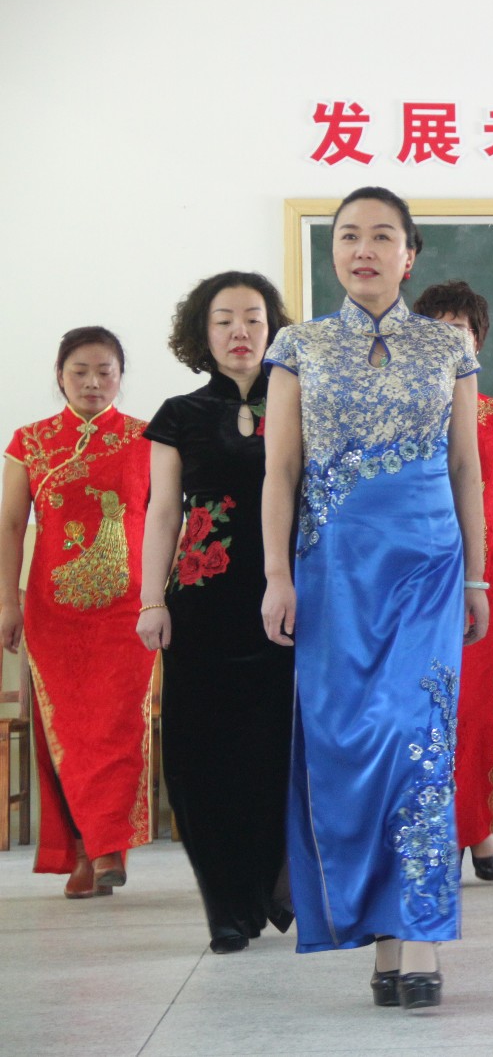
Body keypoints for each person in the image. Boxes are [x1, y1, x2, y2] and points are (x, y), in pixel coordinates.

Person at [261, 186, 489, 1010]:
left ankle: (419, 935)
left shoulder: (448, 347)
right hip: (334, 571)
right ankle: (384, 937)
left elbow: (466, 468)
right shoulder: (299, 345)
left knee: (416, 737)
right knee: (350, 745)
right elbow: (280, 471)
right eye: (349, 236)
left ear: (410, 254)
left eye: (382, 236)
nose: (364, 249)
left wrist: (478, 575)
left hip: (427, 565)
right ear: (333, 253)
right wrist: (277, 575)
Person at [136, 272, 296, 953]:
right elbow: (162, 512)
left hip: (284, 604)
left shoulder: (301, 402)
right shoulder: (179, 414)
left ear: (273, 328)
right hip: (201, 605)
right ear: (201, 334)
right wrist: (151, 598)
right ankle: (225, 906)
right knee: (200, 759)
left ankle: (271, 885)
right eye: (224, 319)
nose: (240, 332)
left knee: (275, 751)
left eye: (253, 318)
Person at [1, 327, 156, 898]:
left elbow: (167, 519)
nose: (93, 382)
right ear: (60, 376)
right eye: (80, 372)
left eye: (105, 371)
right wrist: (7, 602)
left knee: (116, 728)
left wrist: (163, 599)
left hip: (129, 612)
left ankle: (107, 847)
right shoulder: (31, 442)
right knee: (67, 731)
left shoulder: (148, 437)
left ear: (120, 375)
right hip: (54, 613)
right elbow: (10, 526)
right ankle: (88, 852)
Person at [413, 280, 493, 882]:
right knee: (422, 704)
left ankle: (478, 827)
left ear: (477, 340)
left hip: (481, 577)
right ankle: (431, 833)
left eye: (459, 327)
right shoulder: (399, 411)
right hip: (414, 573)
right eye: (436, 326)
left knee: (474, 705)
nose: (448, 336)